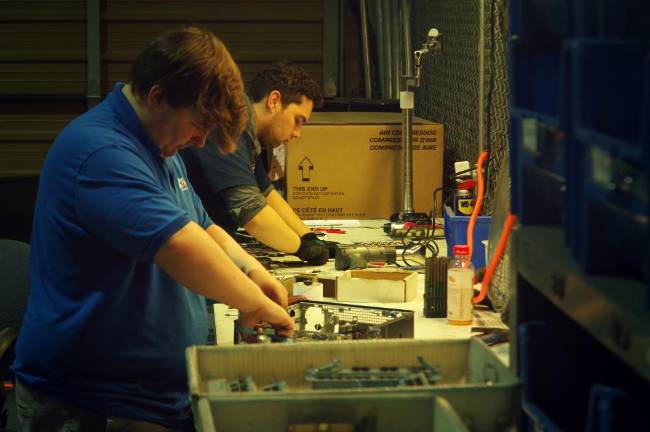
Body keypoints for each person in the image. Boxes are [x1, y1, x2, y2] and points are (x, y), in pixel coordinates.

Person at [12, 27, 294, 432]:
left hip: (149, 398)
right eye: (198, 124)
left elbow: (201, 225)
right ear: (157, 97)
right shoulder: (101, 151)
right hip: (93, 405)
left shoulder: (158, 143)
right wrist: (252, 303)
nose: (200, 142)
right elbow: (180, 247)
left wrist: (253, 271)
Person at [180, 62, 332, 266]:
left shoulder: (248, 135)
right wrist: (302, 249)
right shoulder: (227, 128)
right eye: (298, 120)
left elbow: (266, 193)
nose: (297, 133)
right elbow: (254, 216)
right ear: (274, 101)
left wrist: (308, 236)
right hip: (188, 253)